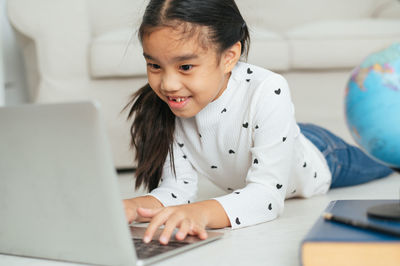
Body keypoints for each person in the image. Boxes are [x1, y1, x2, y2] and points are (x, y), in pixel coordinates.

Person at [123, 0, 393, 245]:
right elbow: (176, 189)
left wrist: (200, 213)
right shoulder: (174, 102)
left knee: (383, 162)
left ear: (229, 57)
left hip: (322, 154)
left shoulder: (267, 88)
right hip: (280, 139)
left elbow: (266, 198)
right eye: (155, 66)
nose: (168, 84)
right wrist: (133, 207)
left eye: (185, 67)